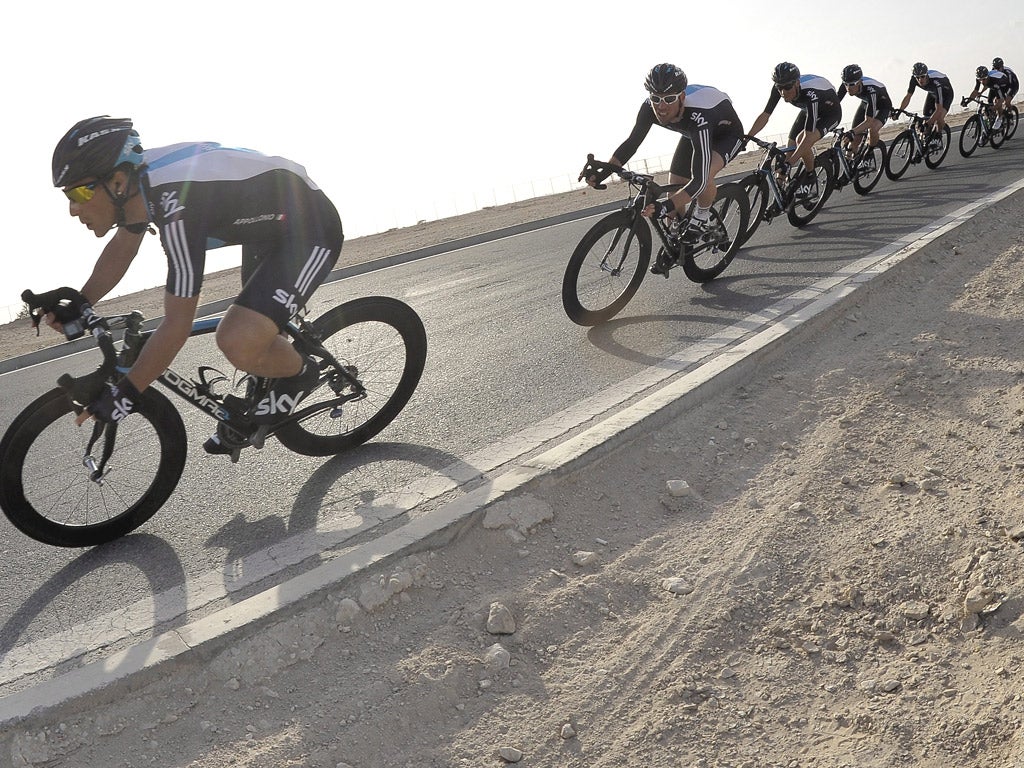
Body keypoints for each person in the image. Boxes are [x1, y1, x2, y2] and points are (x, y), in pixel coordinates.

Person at [50, 116, 344, 453]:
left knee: (237, 339)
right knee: (256, 332)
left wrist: (125, 396)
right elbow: (123, 247)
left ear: (117, 182)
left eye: (80, 191)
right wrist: (81, 301)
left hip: (311, 229)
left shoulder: (177, 206)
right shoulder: (137, 185)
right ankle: (264, 383)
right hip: (268, 226)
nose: (73, 209)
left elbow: (176, 325)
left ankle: (301, 373)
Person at [586, 63, 745, 249]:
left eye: (669, 99)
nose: (661, 106)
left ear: (682, 97)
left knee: (705, 175)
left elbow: (700, 181)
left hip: (726, 135)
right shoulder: (649, 108)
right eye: (655, 98)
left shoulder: (698, 115)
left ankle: (702, 216)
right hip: (692, 134)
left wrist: (665, 207)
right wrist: (604, 173)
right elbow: (632, 143)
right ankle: (680, 235)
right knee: (675, 184)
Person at [747, 62, 841, 201]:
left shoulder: (811, 94)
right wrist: (747, 137)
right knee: (789, 147)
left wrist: (789, 163)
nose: (783, 92)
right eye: (780, 88)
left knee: (801, 140)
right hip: (808, 111)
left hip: (830, 113)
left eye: (787, 87)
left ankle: (810, 176)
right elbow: (765, 115)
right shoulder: (780, 86)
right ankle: (781, 195)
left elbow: (808, 138)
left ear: (797, 83)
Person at [836, 64, 892, 155]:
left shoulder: (871, 90)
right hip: (866, 103)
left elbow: (869, 122)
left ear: (859, 82)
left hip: (883, 107)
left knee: (872, 128)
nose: (848, 88)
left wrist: (852, 132)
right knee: (852, 144)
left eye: (851, 84)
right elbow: (835, 103)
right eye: (845, 84)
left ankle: (869, 152)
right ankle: (851, 167)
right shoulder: (847, 83)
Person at [896, 62, 954, 139]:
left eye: (922, 76)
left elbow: (939, 110)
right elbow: (908, 96)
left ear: (926, 75)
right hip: (932, 93)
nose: (920, 80)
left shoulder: (936, 82)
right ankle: (926, 142)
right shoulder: (913, 80)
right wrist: (900, 111)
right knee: (926, 117)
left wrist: (927, 124)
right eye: (917, 77)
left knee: (938, 118)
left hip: (946, 94)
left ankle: (938, 135)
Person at [965, 65, 1011, 130]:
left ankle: (999, 118)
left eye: (984, 79)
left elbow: (1001, 100)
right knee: (989, 101)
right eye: (980, 80)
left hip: (1003, 85)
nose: (982, 82)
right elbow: (975, 91)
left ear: (987, 77)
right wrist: (967, 101)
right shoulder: (980, 79)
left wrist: (994, 108)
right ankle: (991, 120)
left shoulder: (995, 81)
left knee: (997, 101)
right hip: (993, 85)